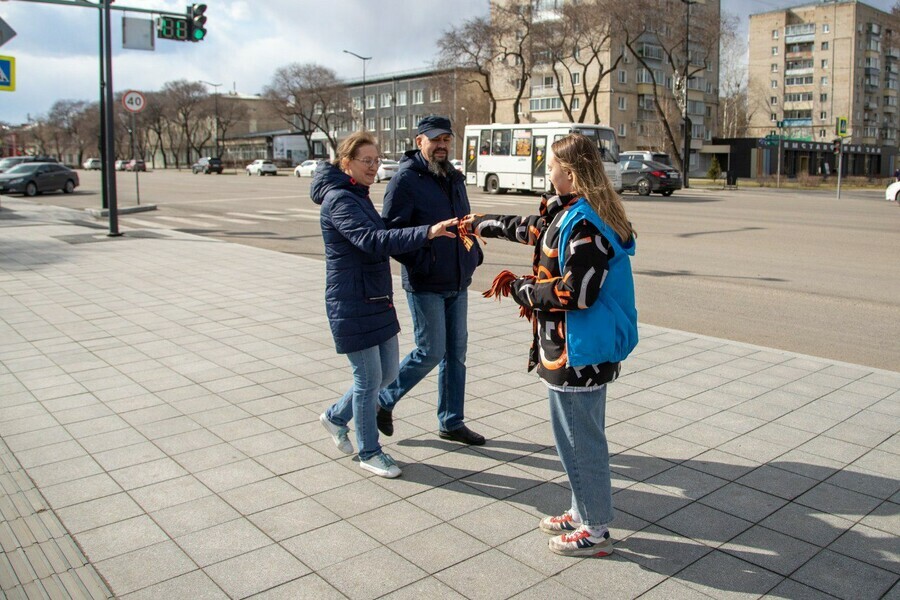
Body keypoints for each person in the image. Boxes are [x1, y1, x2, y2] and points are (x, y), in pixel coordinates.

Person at [462, 133, 638, 557]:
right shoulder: (567, 212)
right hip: (567, 347)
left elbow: (578, 293)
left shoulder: (584, 225)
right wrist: (473, 222)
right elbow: (525, 228)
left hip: (581, 351)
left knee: (581, 441)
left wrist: (522, 289)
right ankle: (582, 511)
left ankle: (595, 530)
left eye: (552, 166)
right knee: (571, 437)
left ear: (571, 173)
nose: (548, 171)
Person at [311, 131, 459, 478]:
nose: (374, 167)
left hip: (376, 298)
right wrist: (427, 232)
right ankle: (370, 451)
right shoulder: (340, 199)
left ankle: (335, 416)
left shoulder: (358, 195)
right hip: (351, 301)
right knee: (367, 380)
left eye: (377, 161)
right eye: (367, 161)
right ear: (346, 162)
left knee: (388, 374)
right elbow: (371, 240)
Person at [377, 116, 485, 446]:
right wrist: (424, 262)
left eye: (446, 140)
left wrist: (473, 253)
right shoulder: (405, 180)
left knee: (456, 354)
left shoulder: (453, 177)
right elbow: (391, 234)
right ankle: (383, 399)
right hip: (426, 282)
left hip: (457, 279)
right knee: (430, 351)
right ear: (419, 140)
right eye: (435, 139)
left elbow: (461, 222)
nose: (441, 145)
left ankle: (451, 421)